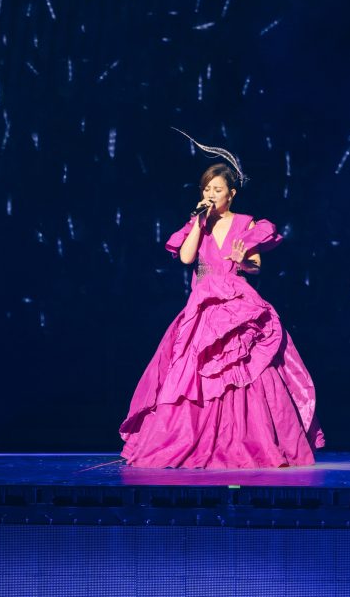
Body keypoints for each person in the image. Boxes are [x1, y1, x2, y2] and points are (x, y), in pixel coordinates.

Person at [119, 162, 324, 468]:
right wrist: (197, 222)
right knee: (193, 372)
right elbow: (186, 257)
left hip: (237, 304)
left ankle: (247, 440)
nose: (211, 194)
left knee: (246, 370)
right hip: (203, 306)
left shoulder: (246, 224)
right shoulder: (198, 223)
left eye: (217, 189)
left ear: (232, 194)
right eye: (206, 189)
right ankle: (195, 439)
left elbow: (255, 267)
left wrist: (243, 260)